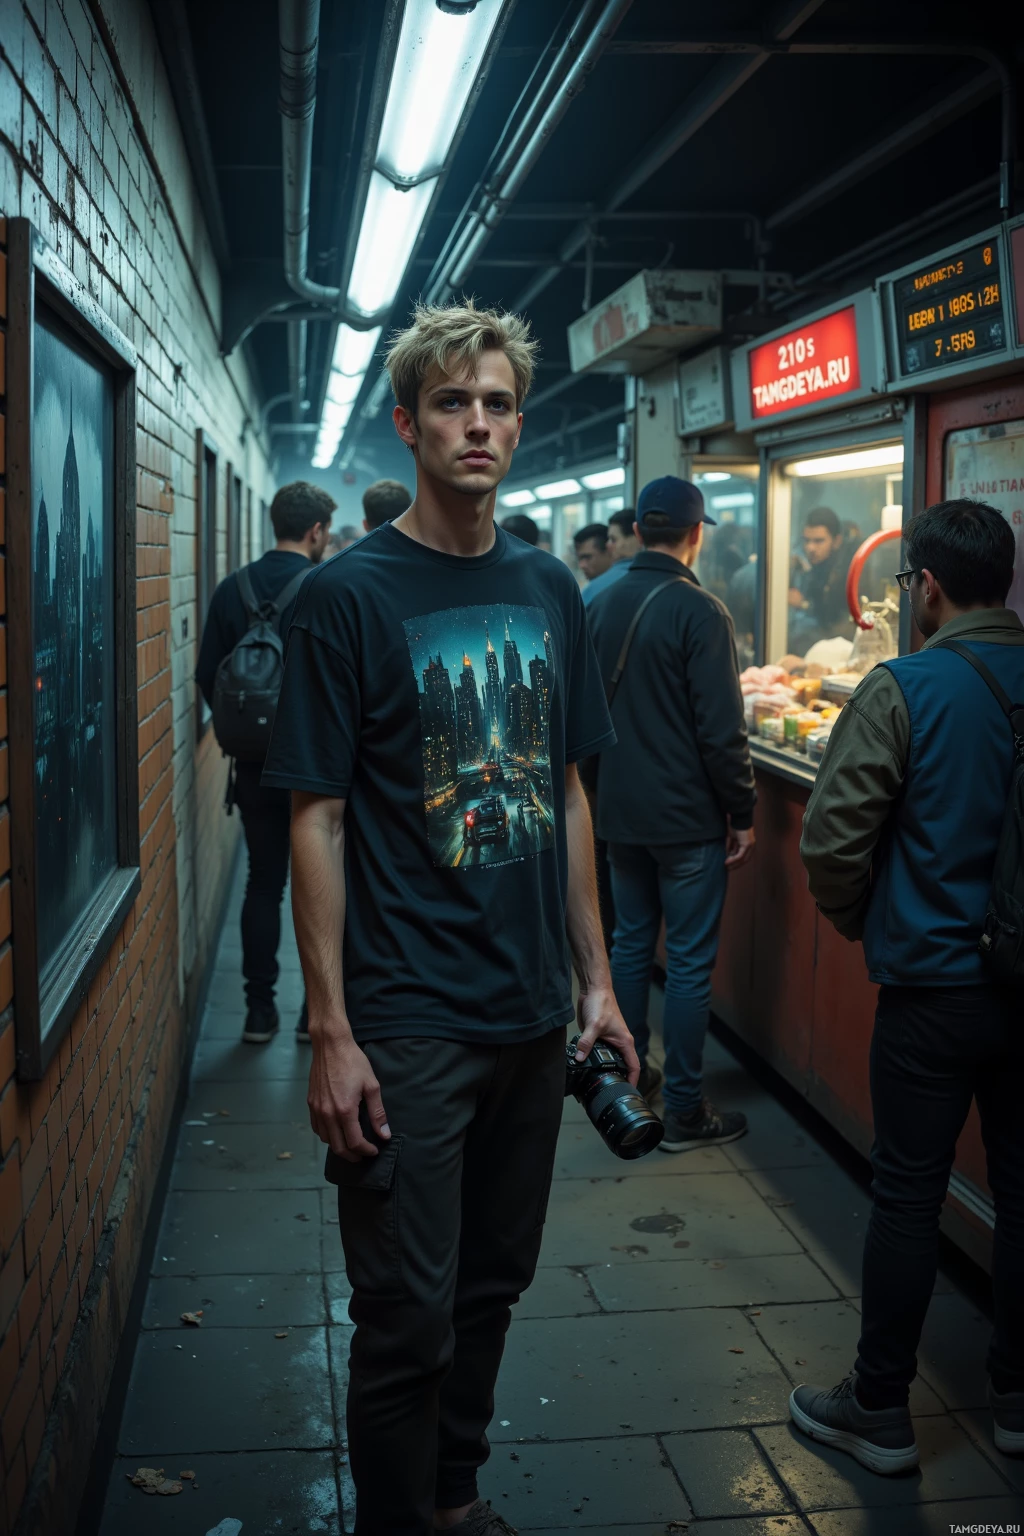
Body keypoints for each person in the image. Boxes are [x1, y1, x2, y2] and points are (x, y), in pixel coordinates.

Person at [262, 299, 634, 1536]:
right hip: (408, 1020)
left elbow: (567, 789)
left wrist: (597, 984)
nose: (477, 425)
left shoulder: (547, 589)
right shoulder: (345, 599)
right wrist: (330, 1030)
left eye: (496, 404)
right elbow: (314, 818)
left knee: (490, 1287)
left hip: (532, 1017)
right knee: (406, 1310)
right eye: (452, 404)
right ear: (409, 424)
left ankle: (455, 1497)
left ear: (516, 424)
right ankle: (394, 1520)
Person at [795, 499, 1024, 1476]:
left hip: (932, 991)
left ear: (922, 585)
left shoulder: (903, 688)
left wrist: (870, 926)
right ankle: (1015, 1402)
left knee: (905, 1197)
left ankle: (878, 1408)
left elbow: (831, 843)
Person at [587, 475, 756, 1147]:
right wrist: (741, 811)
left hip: (618, 812)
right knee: (685, 963)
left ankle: (630, 1087)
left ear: (634, 530)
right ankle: (686, 1109)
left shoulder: (597, 603)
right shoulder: (701, 610)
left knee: (631, 943)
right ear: (694, 534)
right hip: (686, 820)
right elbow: (722, 731)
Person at [196, 480, 336, 1043]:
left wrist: (247, 733)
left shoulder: (234, 588)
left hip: (254, 769)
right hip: (319, 772)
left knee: (264, 885)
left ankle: (259, 1012)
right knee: (322, 891)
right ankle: (313, 1016)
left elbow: (208, 675)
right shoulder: (328, 585)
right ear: (317, 531)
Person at [788, 506, 850, 647]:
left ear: (837, 541)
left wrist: (803, 604)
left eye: (818, 541)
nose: (810, 548)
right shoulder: (815, 567)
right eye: (807, 540)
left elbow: (837, 624)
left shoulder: (846, 572)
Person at [581, 507, 638, 608]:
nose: (607, 545)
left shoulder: (594, 590)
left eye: (613, 539)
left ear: (636, 537)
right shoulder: (666, 578)